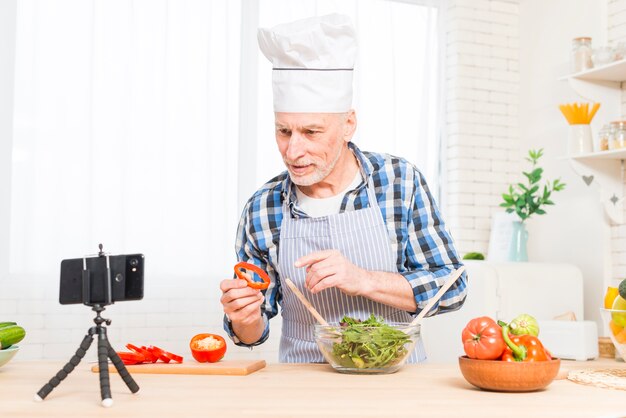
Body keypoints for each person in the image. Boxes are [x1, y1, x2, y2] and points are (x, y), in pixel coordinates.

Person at [220, 14, 467, 363]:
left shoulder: (400, 182)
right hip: (304, 384)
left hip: (395, 379)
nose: (293, 151)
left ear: (348, 124)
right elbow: (252, 333)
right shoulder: (264, 207)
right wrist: (244, 317)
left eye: (311, 132)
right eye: (283, 131)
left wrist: (364, 280)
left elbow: (452, 286)